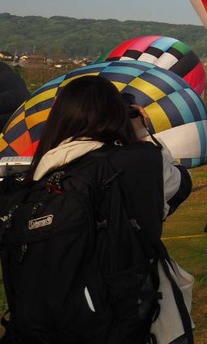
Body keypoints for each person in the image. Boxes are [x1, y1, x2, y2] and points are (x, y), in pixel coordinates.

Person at [4, 75, 190, 344]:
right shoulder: (131, 166)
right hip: (137, 327)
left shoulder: (31, 181)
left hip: (43, 330)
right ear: (116, 116)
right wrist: (138, 129)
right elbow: (181, 182)